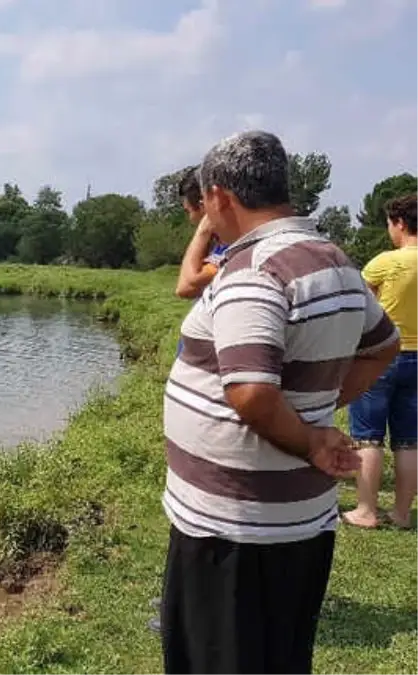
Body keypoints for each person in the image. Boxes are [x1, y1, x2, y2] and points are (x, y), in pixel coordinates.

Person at [160, 130, 399, 675]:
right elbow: (382, 347)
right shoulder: (331, 258)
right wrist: (312, 410)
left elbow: (250, 391)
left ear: (219, 196)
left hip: (236, 528)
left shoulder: (253, 272)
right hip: (292, 520)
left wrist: (310, 435)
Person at [343, 193, 418, 530]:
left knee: (368, 436)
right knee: (410, 439)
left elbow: (358, 307)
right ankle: (402, 514)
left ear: (400, 223)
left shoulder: (384, 263)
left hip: (382, 356)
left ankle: (366, 511)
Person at [175, 165, 228, 299]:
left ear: (203, 206)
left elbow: (185, 288)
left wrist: (202, 232)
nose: (190, 219)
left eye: (189, 212)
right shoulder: (220, 244)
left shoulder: (231, 246)